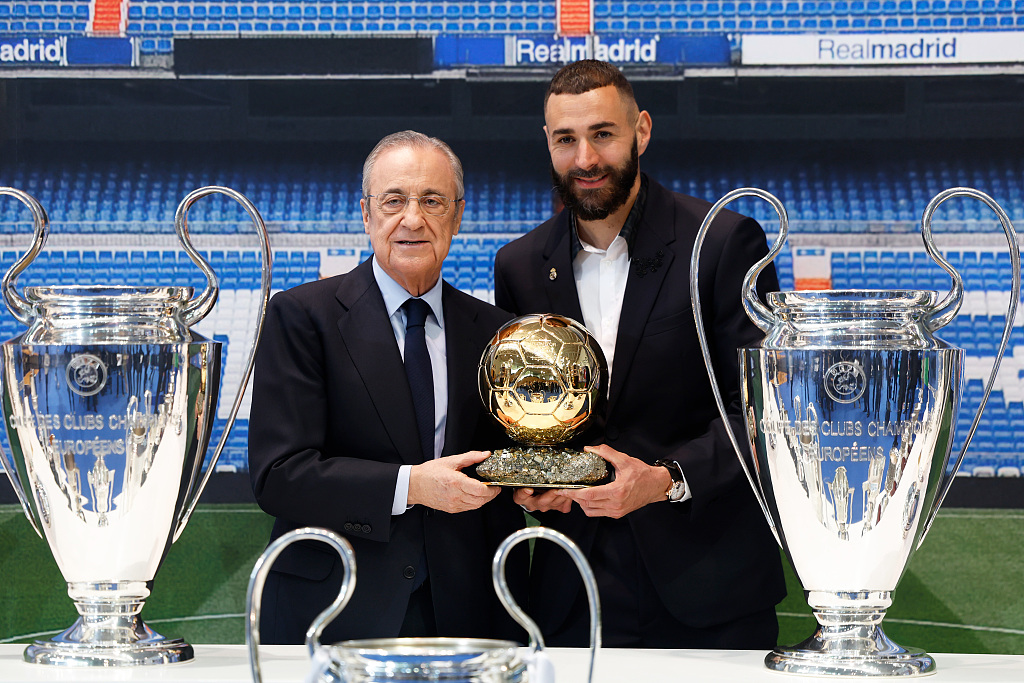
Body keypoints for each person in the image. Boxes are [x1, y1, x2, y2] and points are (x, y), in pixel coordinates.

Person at [493, 60, 786, 649]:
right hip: (571, 587)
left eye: (603, 134)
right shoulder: (519, 265)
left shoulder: (725, 242)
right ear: (547, 143)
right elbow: (527, 415)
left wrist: (665, 479)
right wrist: (529, 480)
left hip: (707, 583)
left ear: (641, 132)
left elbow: (766, 411)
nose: (585, 160)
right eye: (565, 140)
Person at [249, 130, 525, 644]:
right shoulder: (303, 316)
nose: (413, 219)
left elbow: (501, 461)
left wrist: (533, 483)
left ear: (458, 216)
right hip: (335, 613)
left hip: (470, 615)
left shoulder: (498, 332)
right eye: (394, 200)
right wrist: (412, 485)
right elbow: (278, 475)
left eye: (433, 201)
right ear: (366, 213)